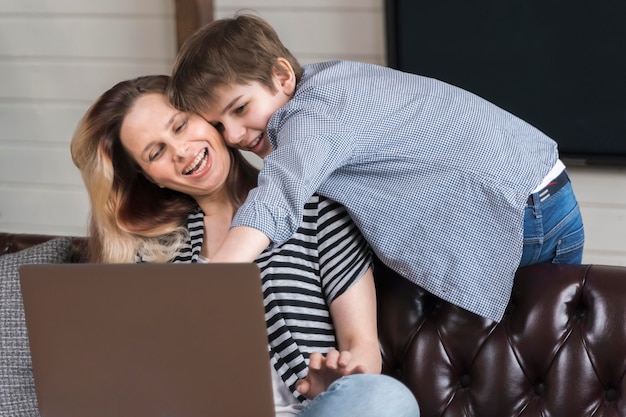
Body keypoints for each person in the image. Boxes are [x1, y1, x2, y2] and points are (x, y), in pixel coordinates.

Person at [167, 14, 585, 323]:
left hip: (526, 209)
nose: (236, 134)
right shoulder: (329, 85)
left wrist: (212, 282)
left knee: (525, 343)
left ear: (281, 76)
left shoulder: (314, 113)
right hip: (535, 190)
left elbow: (280, 192)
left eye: (240, 109)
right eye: (220, 125)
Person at [69, 75, 420, 417]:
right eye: (156, 151)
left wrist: (340, 380)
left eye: (180, 126)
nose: (180, 151)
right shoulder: (152, 254)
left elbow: (363, 347)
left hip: (311, 409)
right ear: (149, 177)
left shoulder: (315, 210)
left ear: (207, 118)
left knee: (384, 398)